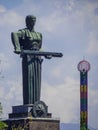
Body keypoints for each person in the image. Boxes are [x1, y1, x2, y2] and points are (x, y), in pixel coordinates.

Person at [11, 15, 42, 104]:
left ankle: (36, 103)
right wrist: (17, 47)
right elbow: (14, 34)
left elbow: (39, 48)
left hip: (37, 59)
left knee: (37, 81)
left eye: (34, 20)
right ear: (27, 22)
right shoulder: (24, 32)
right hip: (28, 58)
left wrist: (46, 54)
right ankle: (28, 103)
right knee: (29, 79)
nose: (33, 22)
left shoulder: (39, 34)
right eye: (31, 20)